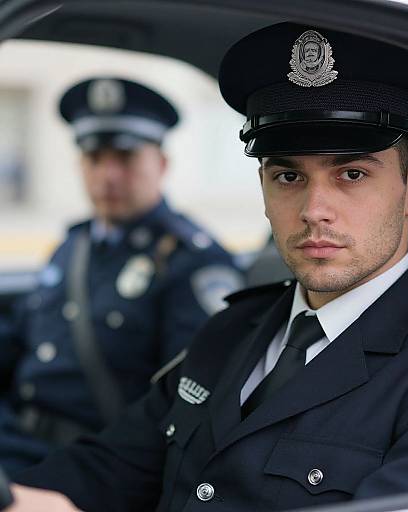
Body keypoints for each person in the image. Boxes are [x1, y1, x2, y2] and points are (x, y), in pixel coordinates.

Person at [7, 22, 408, 511]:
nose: (315, 209)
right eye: (288, 175)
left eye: (352, 174)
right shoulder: (231, 331)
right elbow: (107, 470)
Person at [0, 77, 243, 476]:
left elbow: (188, 402)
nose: (108, 175)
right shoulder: (74, 246)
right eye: (95, 158)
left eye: (125, 158)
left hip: (90, 458)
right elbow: (21, 339)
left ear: (161, 165)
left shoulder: (192, 262)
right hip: (15, 433)